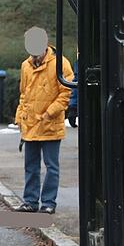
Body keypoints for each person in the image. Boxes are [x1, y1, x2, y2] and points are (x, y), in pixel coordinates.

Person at [15, 27, 73, 214]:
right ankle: (30, 201)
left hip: (50, 123)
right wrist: (20, 116)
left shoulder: (60, 63)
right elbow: (24, 94)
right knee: (30, 166)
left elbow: (66, 92)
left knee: (51, 166)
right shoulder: (25, 66)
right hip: (31, 123)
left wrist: (49, 113)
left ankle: (48, 203)